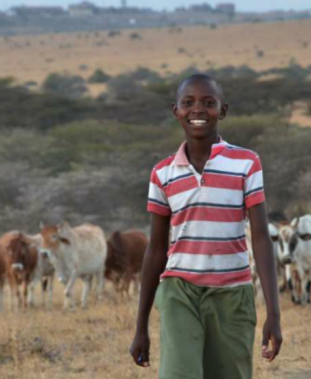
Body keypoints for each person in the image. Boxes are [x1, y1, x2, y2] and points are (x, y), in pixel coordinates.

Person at [130, 74, 283, 379]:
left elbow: (262, 239)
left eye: (208, 103)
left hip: (233, 294)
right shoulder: (162, 173)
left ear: (222, 110)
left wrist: (274, 314)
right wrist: (140, 328)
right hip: (179, 293)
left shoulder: (246, 163)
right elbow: (157, 250)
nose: (197, 110)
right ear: (176, 111)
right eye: (188, 103)